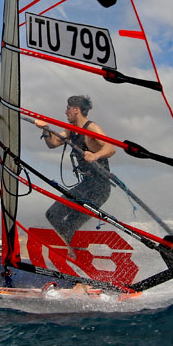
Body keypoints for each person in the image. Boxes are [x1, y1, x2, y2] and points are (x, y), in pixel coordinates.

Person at [34, 95, 115, 246]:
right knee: (53, 215)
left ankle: (75, 251)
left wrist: (95, 155)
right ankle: (75, 249)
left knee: (70, 223)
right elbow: (52, 143)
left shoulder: (91, 128)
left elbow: (111, 148)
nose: (65, 112)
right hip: (86, 185)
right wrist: (45, 129)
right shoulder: (71, 130)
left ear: (76, 110)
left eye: (68, 108)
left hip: (99, 188)